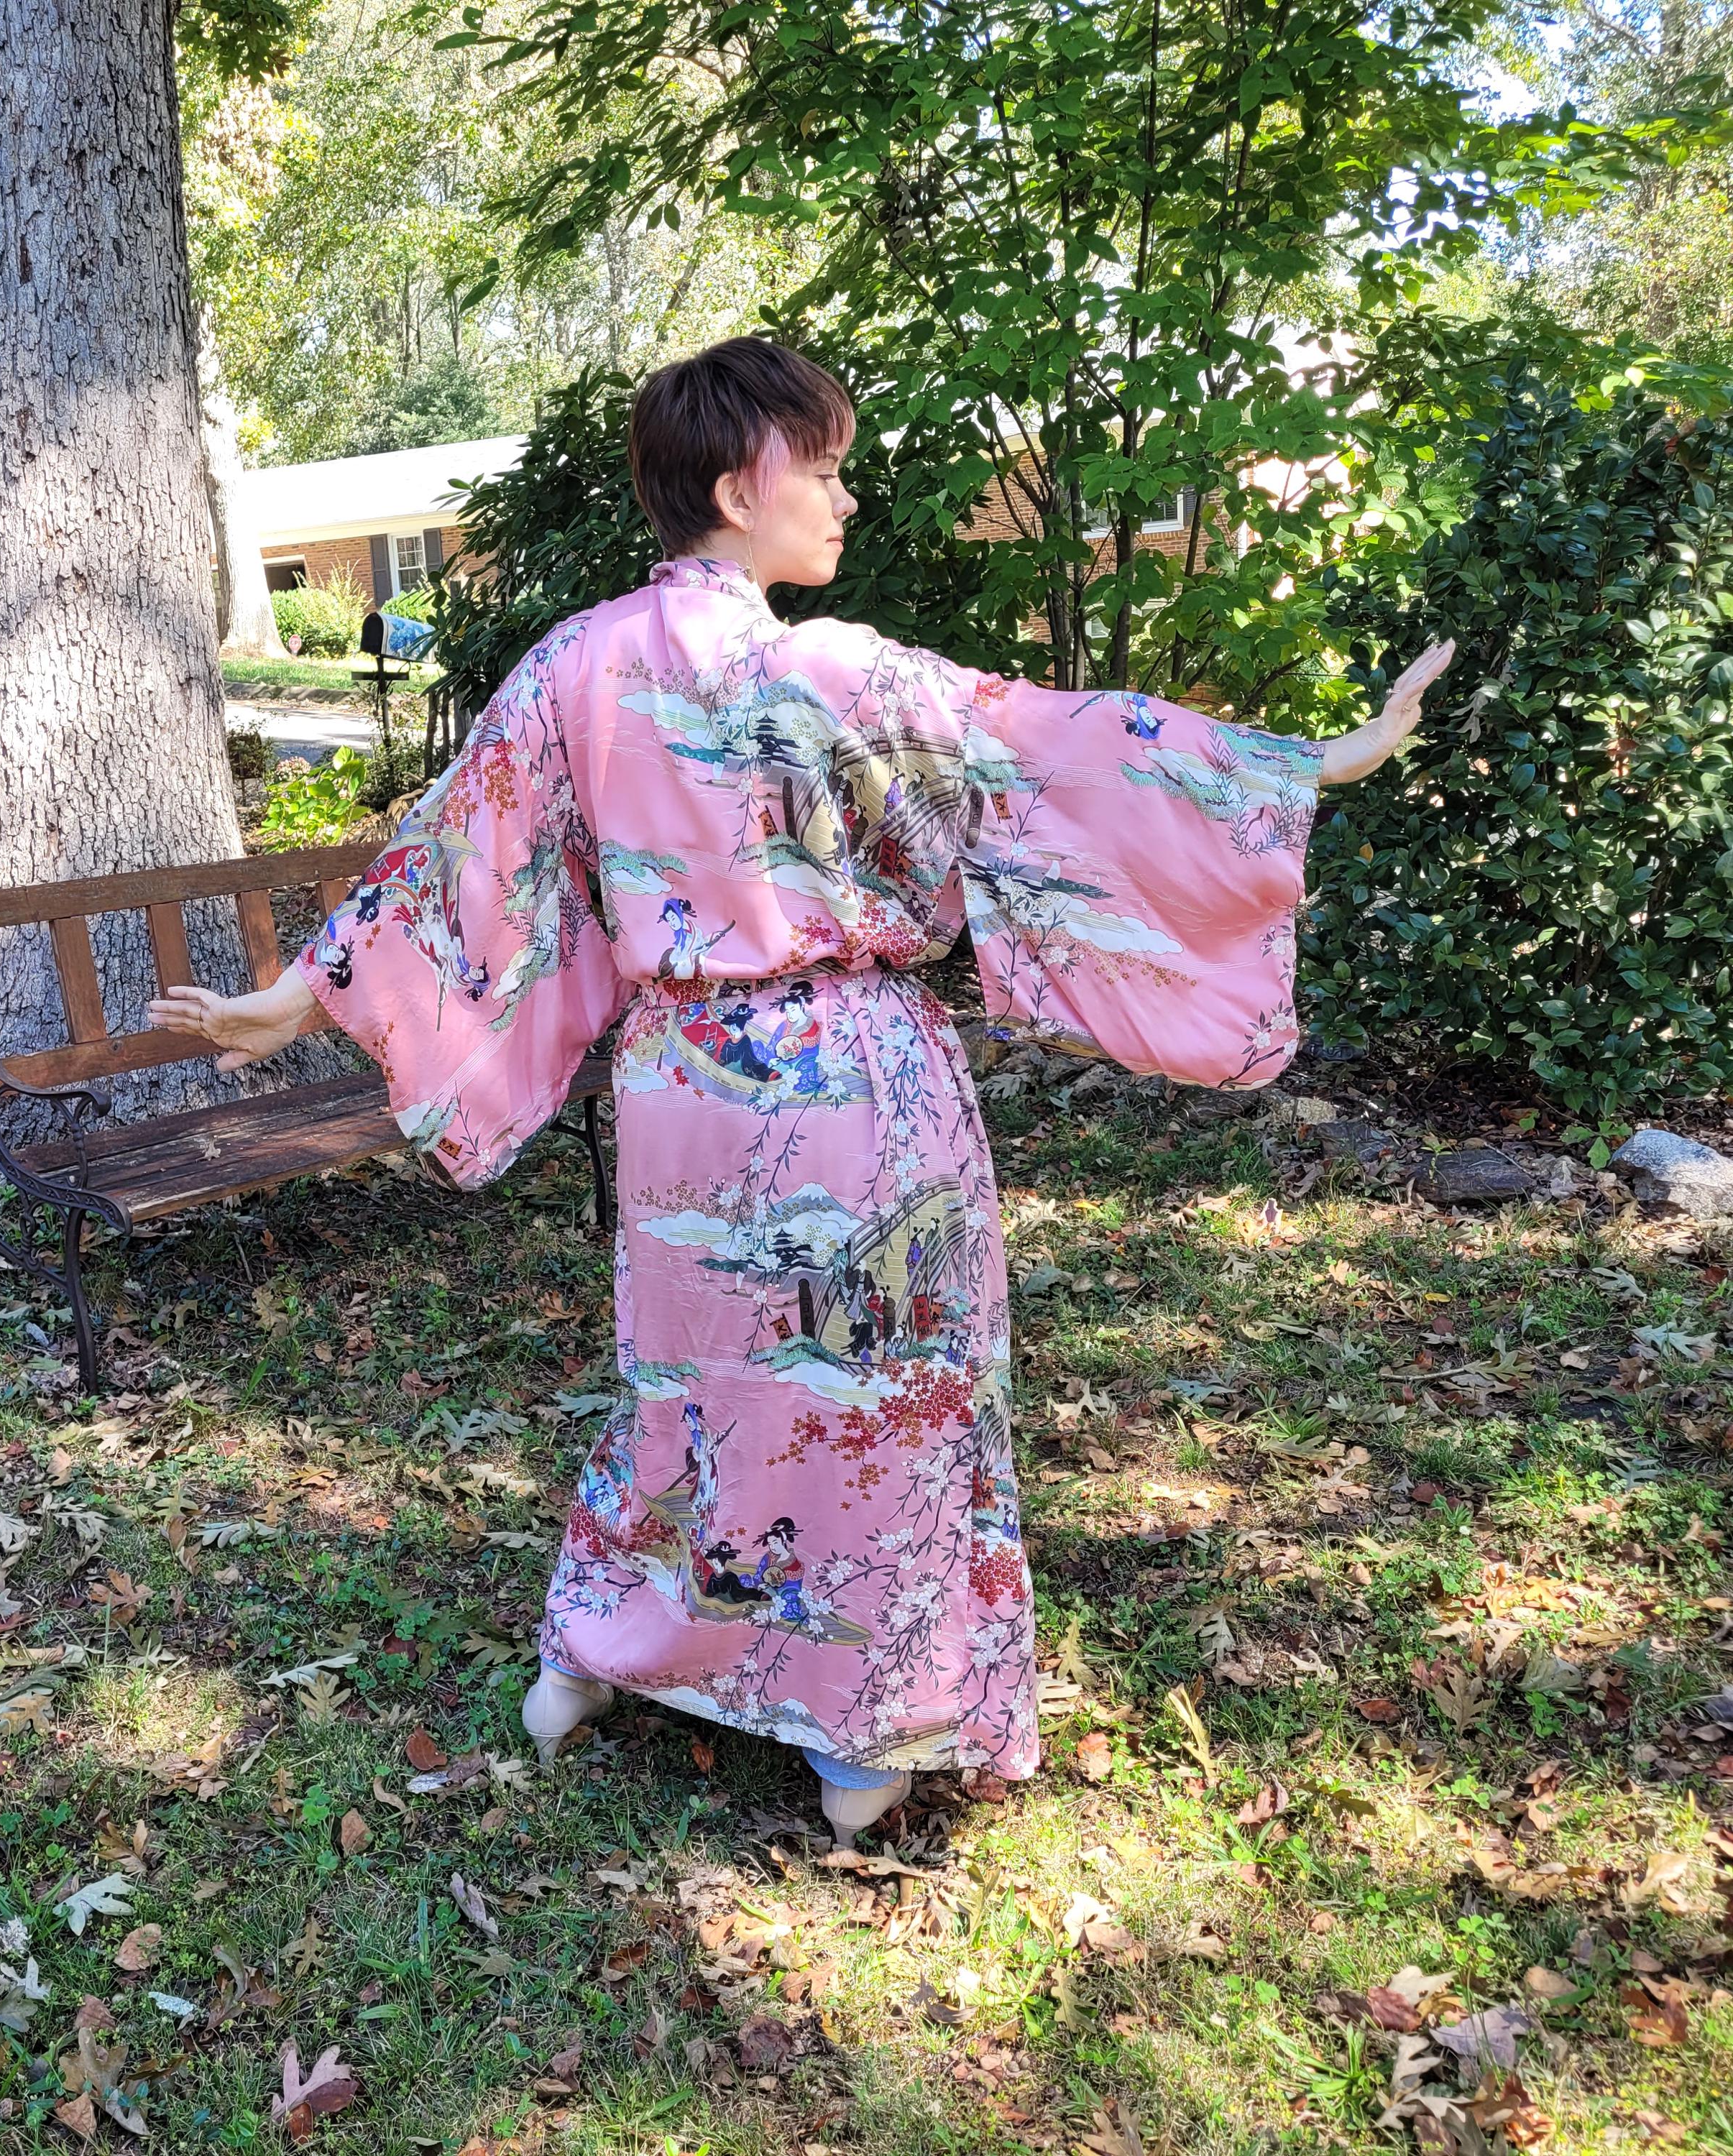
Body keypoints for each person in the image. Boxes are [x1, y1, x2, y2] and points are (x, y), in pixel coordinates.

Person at [150, 338, 1452, 1846]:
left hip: (684, 1089)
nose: (842, 493)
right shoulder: (844, 673)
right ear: (736, 482)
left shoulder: (579, 665)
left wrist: (294, 993)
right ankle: (859, 1730)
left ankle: (600, 1650)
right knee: (873, 1394)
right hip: (853, 1086)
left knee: (685, 1393)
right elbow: (1075, 755)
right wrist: (1324, 761)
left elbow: (457, 850)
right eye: (819, 465)